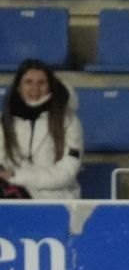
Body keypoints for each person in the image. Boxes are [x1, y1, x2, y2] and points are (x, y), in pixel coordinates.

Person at [1, 61, 83, 201]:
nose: (35, 88)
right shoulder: (4, 121)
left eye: (41, 82)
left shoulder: (69, 122)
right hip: (13, 197)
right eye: (28, 82)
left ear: (50, 87)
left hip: (58, 200)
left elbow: (67, 171)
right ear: (19, 87)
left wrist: (18, 177)